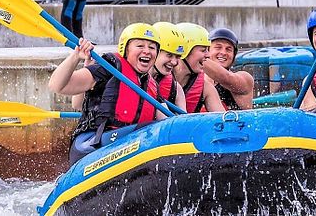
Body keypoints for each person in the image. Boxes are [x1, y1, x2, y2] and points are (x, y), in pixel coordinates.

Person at [48, 23, 164, 165]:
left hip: (127, 144)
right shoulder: (108, 68)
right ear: (126, 49)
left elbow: (165, 123)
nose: (147, 51)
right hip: (91, 145)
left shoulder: (152, 86)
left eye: (152, 48)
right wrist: (76, 56)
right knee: (146, 130)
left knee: (155, 128)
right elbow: (57, 86)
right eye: (140, 46)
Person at [172, 23, 225, 113]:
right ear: (184, 51)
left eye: (208, 50)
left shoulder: (206, 88)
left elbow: (224, 121)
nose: (208, 55)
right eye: (203, 50)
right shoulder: (156, 80)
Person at [204, 28, 254, 110]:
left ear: (234, 55)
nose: (223, 53)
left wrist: (196, 57)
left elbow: (226, 77)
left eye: (228, 49)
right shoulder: (196, 81)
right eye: (218, 47)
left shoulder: (245, 80)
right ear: (207, 51)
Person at [149, 22, 188, 111]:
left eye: (178, 56)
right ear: (154, 50)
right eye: (169, 55)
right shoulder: (128, 79)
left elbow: (183, 123)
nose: (174, 62)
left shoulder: (176, 89)